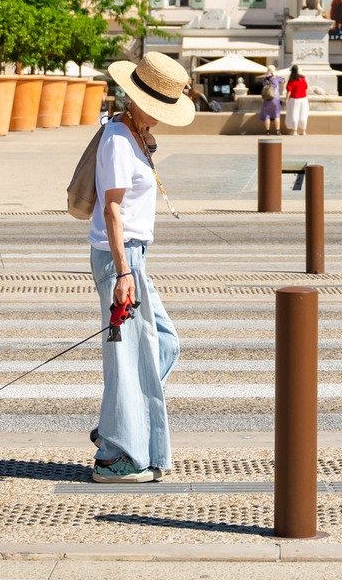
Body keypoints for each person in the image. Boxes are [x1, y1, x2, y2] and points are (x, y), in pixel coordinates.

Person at [91, 53, 197, 484]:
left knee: (164, 344)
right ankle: (114, 456)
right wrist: (123, 273)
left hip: (134, 257)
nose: (160, 118)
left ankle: (116, 423)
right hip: (121, 258)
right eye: (156, 109)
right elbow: (112, 210)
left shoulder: (134, 135)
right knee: (127, 357)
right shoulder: (118, 138)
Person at [285, 65, 310, 137]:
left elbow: (289, 91)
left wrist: (286, 99)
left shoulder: (292, 79)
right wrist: (306, 97)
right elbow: (306, 88)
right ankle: (303, 131)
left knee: (294, 114)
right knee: (303, 114)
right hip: (304, 99)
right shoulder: (303, 78)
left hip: (294, 99)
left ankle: (294, 131)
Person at [260, 66, 286, 134]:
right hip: (275, 98)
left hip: (267, 98)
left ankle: (267, 131)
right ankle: (277, 131)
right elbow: (283, 81)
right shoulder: (277, 78)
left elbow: (263, 85)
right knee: (276, 114)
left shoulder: (265, 79)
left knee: (267, 115)